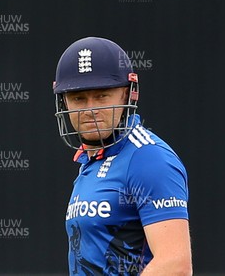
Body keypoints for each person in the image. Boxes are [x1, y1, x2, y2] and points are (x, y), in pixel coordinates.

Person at [53, 37, 192, 275]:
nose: (90, 110)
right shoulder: (92, 162)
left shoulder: (148, 157)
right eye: (78, 98)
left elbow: (176, 265)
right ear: (63, 101)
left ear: (127, 95)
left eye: (102, 96)